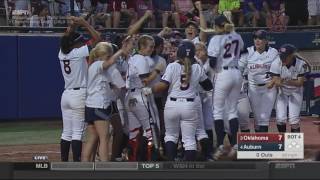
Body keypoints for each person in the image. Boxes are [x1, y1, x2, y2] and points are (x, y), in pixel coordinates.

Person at [142, 40, 213, 161]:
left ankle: (172, 167)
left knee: (171, 136)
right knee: (189, 140)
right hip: (190, 105)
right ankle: (190, 168)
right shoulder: (196, 67)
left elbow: (163, 86)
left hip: (172, 105)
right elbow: (208, 86)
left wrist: (150, 90)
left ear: (179, 53)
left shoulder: (172, 66)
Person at [58, 16, 101, 162]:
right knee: (77, 133)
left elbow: (66, 38)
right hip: (79, 95)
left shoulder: (61, 53)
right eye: (79, 42)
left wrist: (73, 25)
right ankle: (76, 164)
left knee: (66, 133)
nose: (81, 43)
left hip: (66, 95)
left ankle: (64, 163)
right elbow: (98, 38)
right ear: (74, 44)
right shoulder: (79, 53)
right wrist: (84, 23)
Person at [81, 40, 132, 162]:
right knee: (104, 138)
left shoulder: (97, 67)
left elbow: (116, 84)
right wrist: (121, 51)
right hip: (99, 106)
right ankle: (105, 168)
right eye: (108, 55)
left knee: (93, 138)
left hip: (91, 106)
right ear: (102, 55)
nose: (110, 58)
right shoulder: (97, 64)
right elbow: (109, 63)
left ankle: (84, 167)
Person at [207, 15, 244, 160]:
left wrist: (215, 70)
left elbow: (212, 61)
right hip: (237, 72)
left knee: (218, 111)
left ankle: (221, 147)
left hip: (223, 73)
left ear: (217, 26)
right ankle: (235, 145)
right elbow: (241, 51)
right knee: (232, 111)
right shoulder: (237, 35)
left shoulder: (216, 39)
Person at [125, 35, 163, 161]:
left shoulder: (133, 58)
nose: (152, 49)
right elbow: (145, 81)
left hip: (130, 96)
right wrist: (157, 71)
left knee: (134, 131)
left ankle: (133, 158)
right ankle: (151, 157)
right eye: (150, 47)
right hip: (140, 96)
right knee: (150, 128)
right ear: (142, 46)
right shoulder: (141, 59)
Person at [239, 30, 278, 132]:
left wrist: (273, 81)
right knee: (257, 119)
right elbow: (239, 69)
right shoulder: (248, 52)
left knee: (264, 118)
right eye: (255, 38)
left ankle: (262, 145)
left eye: (260, 38)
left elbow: (277, 72)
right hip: (253, 88)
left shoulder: (273, 52)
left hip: (268, 89)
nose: (257, 41)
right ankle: (258, 144)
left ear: (266, 40)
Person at [269, 44, 309, 132]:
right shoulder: (276, 63)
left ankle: (293, 145)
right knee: (280, 119)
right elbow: (275, 81)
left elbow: (299, 83)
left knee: (294, 121)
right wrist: (276, 83)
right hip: (282, 92)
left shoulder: (301, 64)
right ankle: (282, 142)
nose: (282, 59)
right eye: (281, 56)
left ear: (291, 56)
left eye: (285, 56)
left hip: (296, 91)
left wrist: (286, 81)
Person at [195, 42, 215, 161]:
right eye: (196, 50)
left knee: (207, 123)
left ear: (206, 50)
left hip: (209, 95)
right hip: (197, 96)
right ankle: (198, 149)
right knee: (196, 123)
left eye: (200, 50)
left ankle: (210, 150)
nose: (198, 52)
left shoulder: (211, 62)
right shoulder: (194, 62)